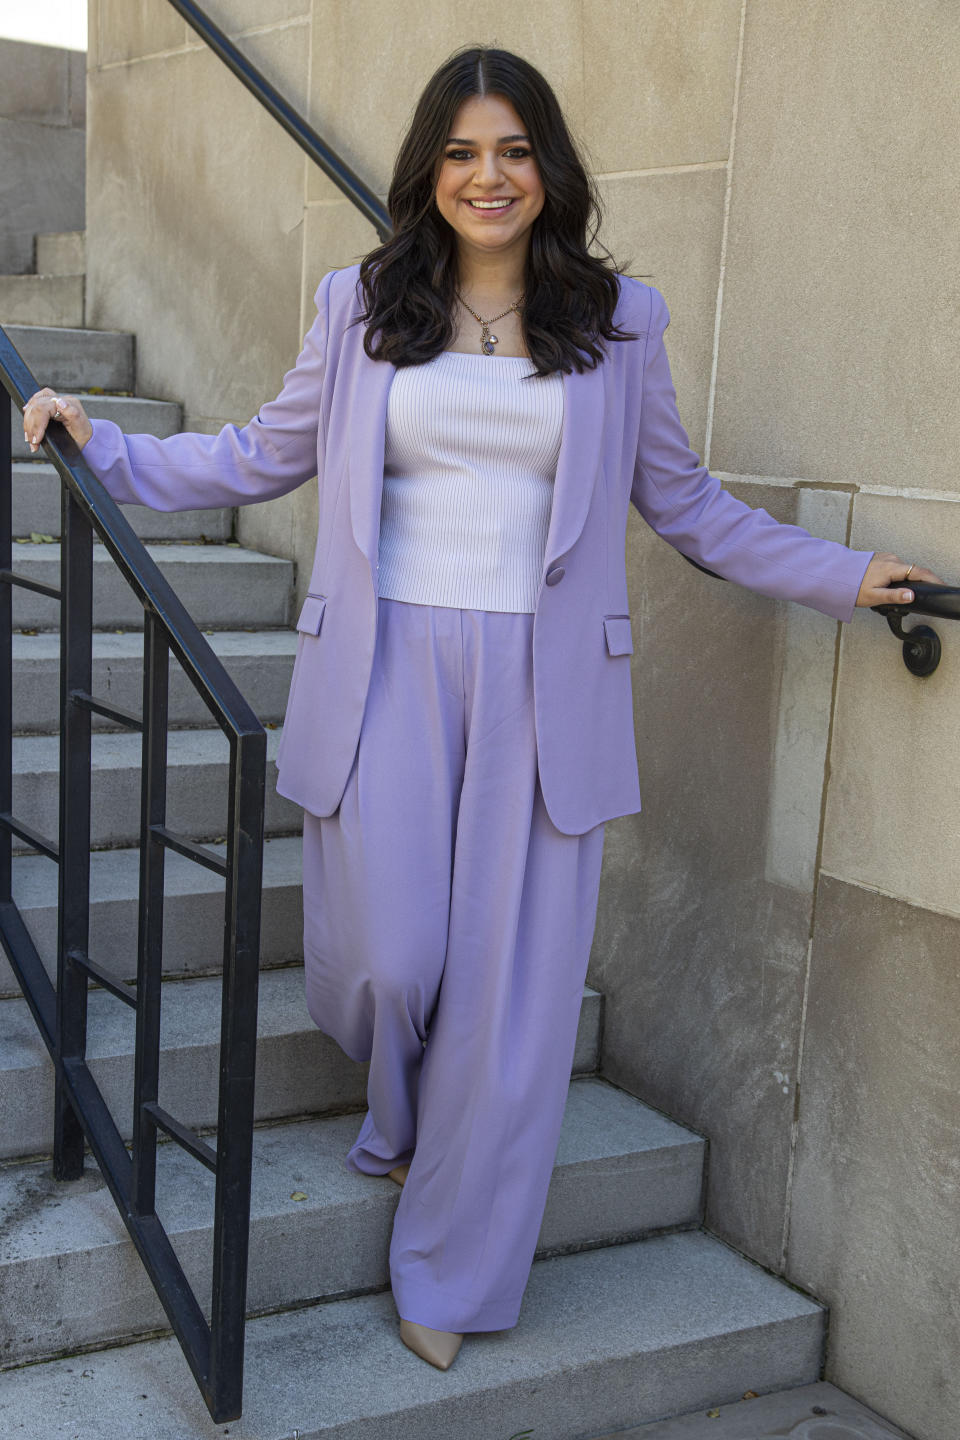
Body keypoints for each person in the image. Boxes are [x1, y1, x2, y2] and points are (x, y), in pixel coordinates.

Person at [22, 45, 941, 1374]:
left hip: (544, 687)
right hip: (388, 665)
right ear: (428, 172)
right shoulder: (359, 306)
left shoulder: (621, 325)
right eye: (460, 152)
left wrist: (847, 575)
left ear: (548, 168)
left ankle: (448, 1264)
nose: (488, 176)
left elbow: (688, 510)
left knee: (509, 1009)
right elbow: (257, 454)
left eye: (512, 151)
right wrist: (106, 444)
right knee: (386, 963)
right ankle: (397, 1117)